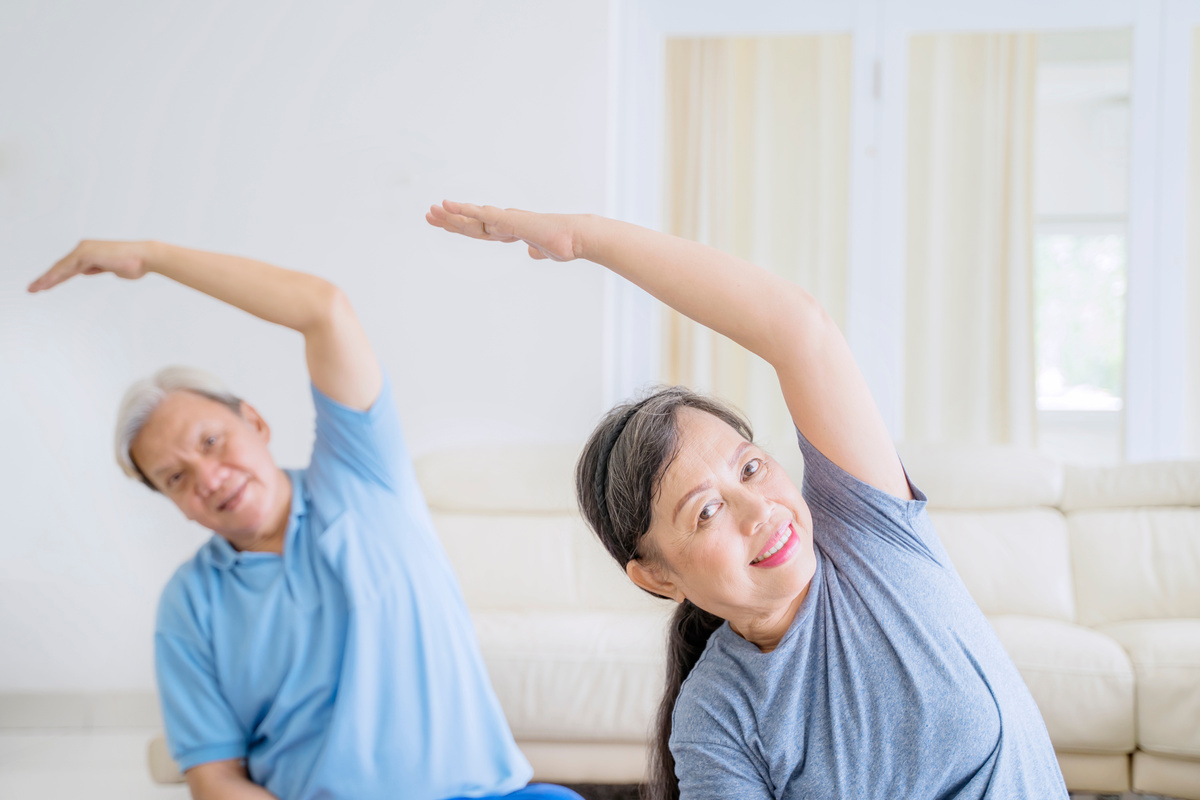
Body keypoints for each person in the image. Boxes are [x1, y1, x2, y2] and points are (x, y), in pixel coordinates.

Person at [426, 201, 1070, 800]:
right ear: (657, 575)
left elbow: (796, 328)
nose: (759, 511)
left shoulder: (868, 535)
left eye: (751, 467)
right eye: (705, 512)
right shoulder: (714, 717)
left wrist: (583, 238)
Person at [27, 242, 582, 800]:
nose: (209, 479)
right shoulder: (189, 603)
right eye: (175, 477)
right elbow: (215, 778)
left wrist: (149, 257)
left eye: (212, 442)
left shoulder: (362, 474)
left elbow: (323, 309)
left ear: (256, 422)